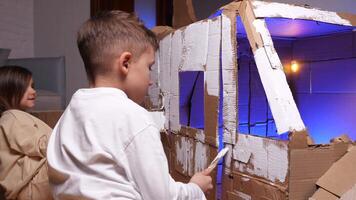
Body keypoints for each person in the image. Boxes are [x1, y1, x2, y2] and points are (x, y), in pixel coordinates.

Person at [46, 10, 213, 200]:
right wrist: (195, 188)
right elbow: (162, 196)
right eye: (149, 67)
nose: (150, 81)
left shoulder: (70, 113)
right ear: (125, 63)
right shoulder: (134, 117)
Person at [0, 66, 53, 200]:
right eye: (26, 87)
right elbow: (40, 145)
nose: (33, 91)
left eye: (33, 86)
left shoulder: (13, 118)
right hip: (30, 187)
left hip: (29, 187)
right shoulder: (13, 117)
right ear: (8, 90)